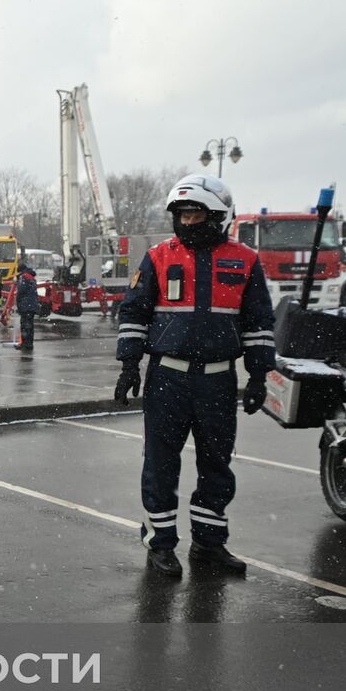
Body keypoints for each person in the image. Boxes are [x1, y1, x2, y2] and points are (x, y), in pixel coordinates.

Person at [113, 175, 274, 577]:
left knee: (216, 464)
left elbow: (258, 323)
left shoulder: (247, 260)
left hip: (219, 381)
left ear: (219, 216)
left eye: (195, 213)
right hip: (168, 378)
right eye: (182, 214)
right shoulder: (157, 256)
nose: (187, 221)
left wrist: (259, 375)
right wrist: (129, 363)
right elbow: (134, 313)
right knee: (161, 464)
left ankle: (208, 543)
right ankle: (161, 545)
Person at [14, 265, 40, 351]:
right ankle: (29, 344)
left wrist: (18, 302)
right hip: (32, 305)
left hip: (25, 305)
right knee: (30, 325)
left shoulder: (24, 277)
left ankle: (25, 344)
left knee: (25, 325)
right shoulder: (31, 277)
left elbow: (21, 291)